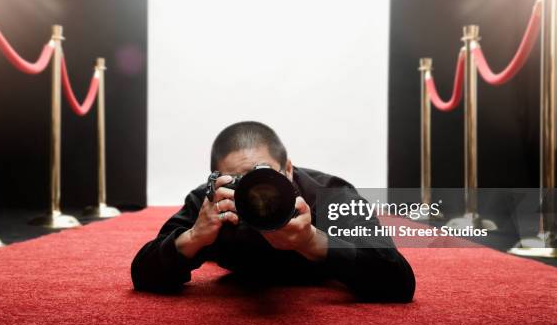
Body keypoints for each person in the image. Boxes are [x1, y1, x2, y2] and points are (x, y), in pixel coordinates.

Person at [131, 121, 415, 302]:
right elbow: (143, 274)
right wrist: (194, 238)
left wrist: (313, 241)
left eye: (265, 175)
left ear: (288, 169)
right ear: (216, 178)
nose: (258, 195)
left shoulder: (329, 196)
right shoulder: (212, 203)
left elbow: (399, 281)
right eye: (240, 182)